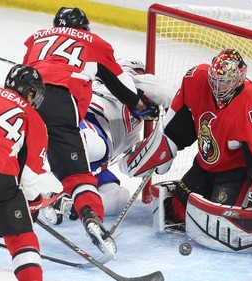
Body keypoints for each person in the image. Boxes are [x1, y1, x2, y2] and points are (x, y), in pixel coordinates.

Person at [120, 49, 252, 235]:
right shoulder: (196, 79)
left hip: (234, 173)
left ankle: (248, 202)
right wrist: (163, 146)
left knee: (217, 221)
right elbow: (179, 123)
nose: (218, 87)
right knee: (176, 211)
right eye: (215, 80)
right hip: (204, 164)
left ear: (239, 79)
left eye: (224, 82)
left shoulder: (251, 102)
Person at [21, 7, 159, 257]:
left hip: (24, 100)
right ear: (85, 28)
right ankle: (90, 217)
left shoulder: (37, 37)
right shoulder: (94, 42)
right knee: (78, 177)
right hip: (61, 106)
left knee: (6, 151)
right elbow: (124, 89)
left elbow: (20, 78)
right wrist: (143, 106)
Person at [42, 57, 177, 224]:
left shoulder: (134, 128)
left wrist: (155, 152)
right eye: (141, 74)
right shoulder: (123, 81)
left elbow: (127, 166)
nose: (144, 77)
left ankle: (72, 204)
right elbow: (167, 93)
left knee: (120, 197)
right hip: (82, 127)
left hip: (94, 162)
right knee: (91, 143)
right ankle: (38, 184)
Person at [0, 64, 63, 281]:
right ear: (30, 92)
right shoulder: (34, 119)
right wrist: (30, 207)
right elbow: (30, 177)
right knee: (21, 237)